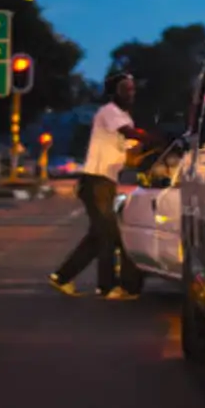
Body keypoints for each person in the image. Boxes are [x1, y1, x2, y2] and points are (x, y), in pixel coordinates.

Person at [49, 71, 151, 299]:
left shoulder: (123, 117)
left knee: (98, 235)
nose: (131, 93)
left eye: (133, 89)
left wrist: (144, 154)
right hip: (96, 182)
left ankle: (62, 277)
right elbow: (130, 134)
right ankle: (107, 287)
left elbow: (129, 151)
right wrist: (156, 138)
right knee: (108, 235)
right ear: (115, 91)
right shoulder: (110, 113)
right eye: (126, 88)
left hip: (105, 182)